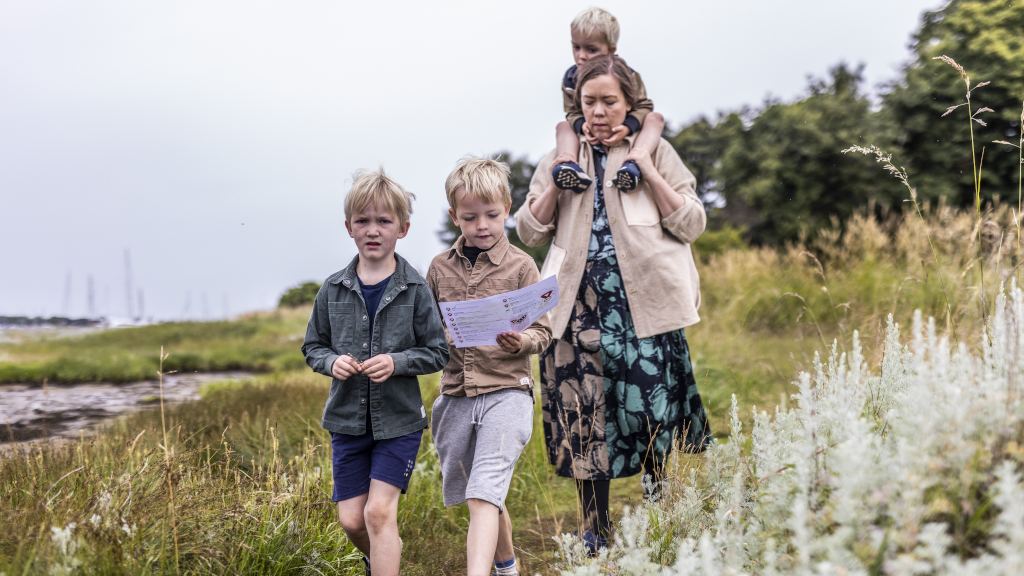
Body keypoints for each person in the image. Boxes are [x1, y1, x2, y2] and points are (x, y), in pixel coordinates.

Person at [515, 54, 713, 554]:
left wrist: (645, 167)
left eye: (609, 101)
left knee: (649, 411)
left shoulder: (658, 151)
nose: (598, 111)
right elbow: (529, 230)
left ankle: (663, 512)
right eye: (590, 102)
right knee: (586, 417)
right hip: (575, 308)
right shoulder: (559, 157)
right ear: (578, 105)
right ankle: (594, 532)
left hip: (642, 306)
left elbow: (690, 223)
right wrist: (555, 186)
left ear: (629, 103)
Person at [301, 167, 449, 576]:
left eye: (384, 221)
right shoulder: (331, 289)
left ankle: (385, 558)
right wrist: (332, 362)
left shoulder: (416, 289)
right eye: (363, 221)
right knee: (352, 520)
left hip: (398, 422)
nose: (373, 230)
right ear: (349, 227)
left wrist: (398, 362)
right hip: (347, 421)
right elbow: (313, 346)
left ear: (402, 228)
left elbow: (438, 352)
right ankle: (380, 559)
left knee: (379, 514)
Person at [427, 156, 553, 576]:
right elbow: (426, 328)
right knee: (479, 493)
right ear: (454, 217)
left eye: (492, 215)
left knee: (484, 493)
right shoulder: (438, 269)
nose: (482, 225)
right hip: (456, 395)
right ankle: (507, 566)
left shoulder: (522, 266)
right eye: (470, 217)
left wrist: (521, 340)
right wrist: (439, 339)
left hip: (508, 391)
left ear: (508, 209)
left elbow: (543, 331)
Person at [551, 7, 665, 195]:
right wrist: (581, 126)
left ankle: (634, 163)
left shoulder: (626, 75)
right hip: (591, 129)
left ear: (611, 51)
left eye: (591, 49)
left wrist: (628, 127)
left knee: (656, 118)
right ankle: (569, 166)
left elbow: (644, 105)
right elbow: (572, 112)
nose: (581, 56)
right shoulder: (570, 78)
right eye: (576, 47)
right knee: (563, 126)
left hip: (624, 127)